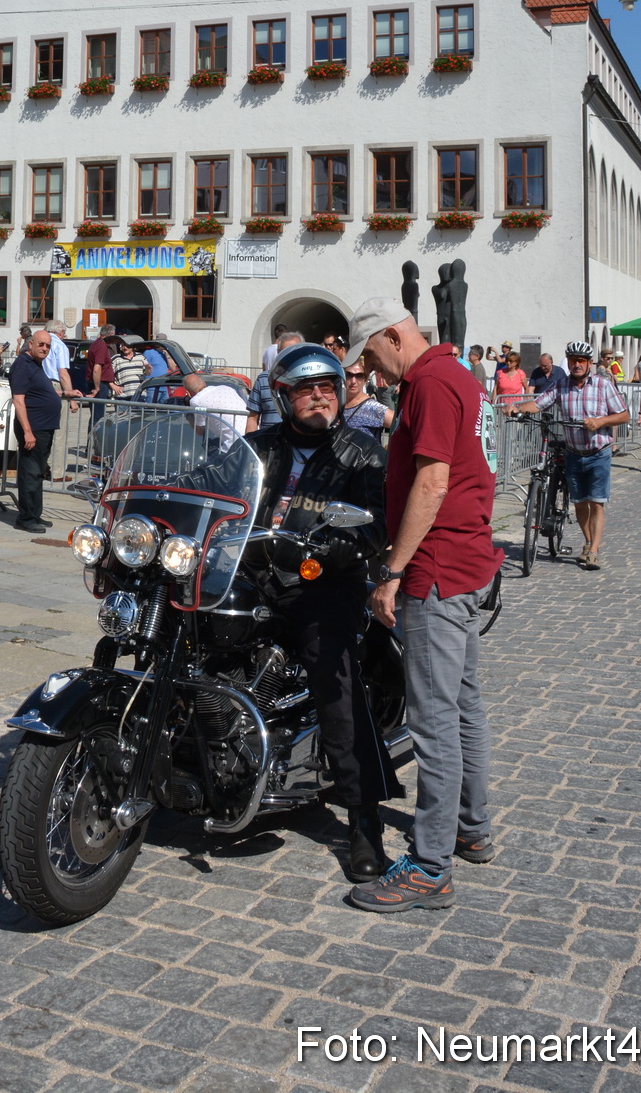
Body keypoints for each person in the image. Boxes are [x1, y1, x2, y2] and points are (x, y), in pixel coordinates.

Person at [340, 299, 501, 915]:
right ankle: (471, 827)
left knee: (434, 722)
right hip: (464, 558)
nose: (368, 370)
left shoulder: (431, 383)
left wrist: (392, 570)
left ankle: (430, 866)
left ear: (390, 336)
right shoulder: (455, 374)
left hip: (435, 568)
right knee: (462, 706)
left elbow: (433, 482)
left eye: (369, 356)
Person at [248, 342, 399, 882]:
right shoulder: (257, 446)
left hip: (322, 579)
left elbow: (376, 518)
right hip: (252, 573)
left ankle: (363, 818)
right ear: (283, 397)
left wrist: (344, 544)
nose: (319, 397)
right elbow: (212, 486)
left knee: (335, 678)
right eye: (306, 390)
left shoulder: (363, 452)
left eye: (327, 387)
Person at [523, 340, 628, 569]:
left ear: (590, 363)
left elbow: (623, 414)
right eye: (573, 360)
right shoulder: (561, 385)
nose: (577, 364)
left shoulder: (602, 385)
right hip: (573, 453)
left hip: (598, 452)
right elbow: (539, 404)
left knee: (596, 503)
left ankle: (594, 551)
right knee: (579, 503)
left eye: (581, 360)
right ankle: (588, 542)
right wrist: (517, 408)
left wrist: (600, 421)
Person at [8, 328, 63, 533]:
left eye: (48, 345)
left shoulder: (35, 364)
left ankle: (35, 514)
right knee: (30, 473)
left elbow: (38, 392)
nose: (45, 348)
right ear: (30, 344)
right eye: (41, 344)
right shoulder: (22, 365)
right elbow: (18, 400)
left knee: (38, 472)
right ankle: (26, 518)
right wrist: (27, 431)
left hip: (43, 427)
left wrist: (66, 393)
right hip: (33, 428)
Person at [246, 329, 303, 431]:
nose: (288, 355)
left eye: (293, 351)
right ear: (278, 353)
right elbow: (253, 418)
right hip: (268, 440)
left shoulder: (309, 380)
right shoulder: (263, 379)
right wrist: (249, 440)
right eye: (284, 351)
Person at [182, 373, 248, 435]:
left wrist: (188, 414)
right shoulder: (225, 388)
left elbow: (199, 431)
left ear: (188, 393)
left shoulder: (196, 401)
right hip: (250, 433)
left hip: (234, 439)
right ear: (204, 383)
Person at [342, 360, 392, 434]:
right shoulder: (337, 405)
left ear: (365, 379)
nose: (353, 381)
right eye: (349, 375)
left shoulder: (374, 408)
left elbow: (402, 426)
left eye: (359, 376)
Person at [84, 327, 116, 421]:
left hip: (97, 383)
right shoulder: (101, 346)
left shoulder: (96, 344)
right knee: (98, 417)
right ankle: (95, 431)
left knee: (96, 415)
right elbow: (97, 368)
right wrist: (97, 387)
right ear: (110, 335)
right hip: (100, 384)